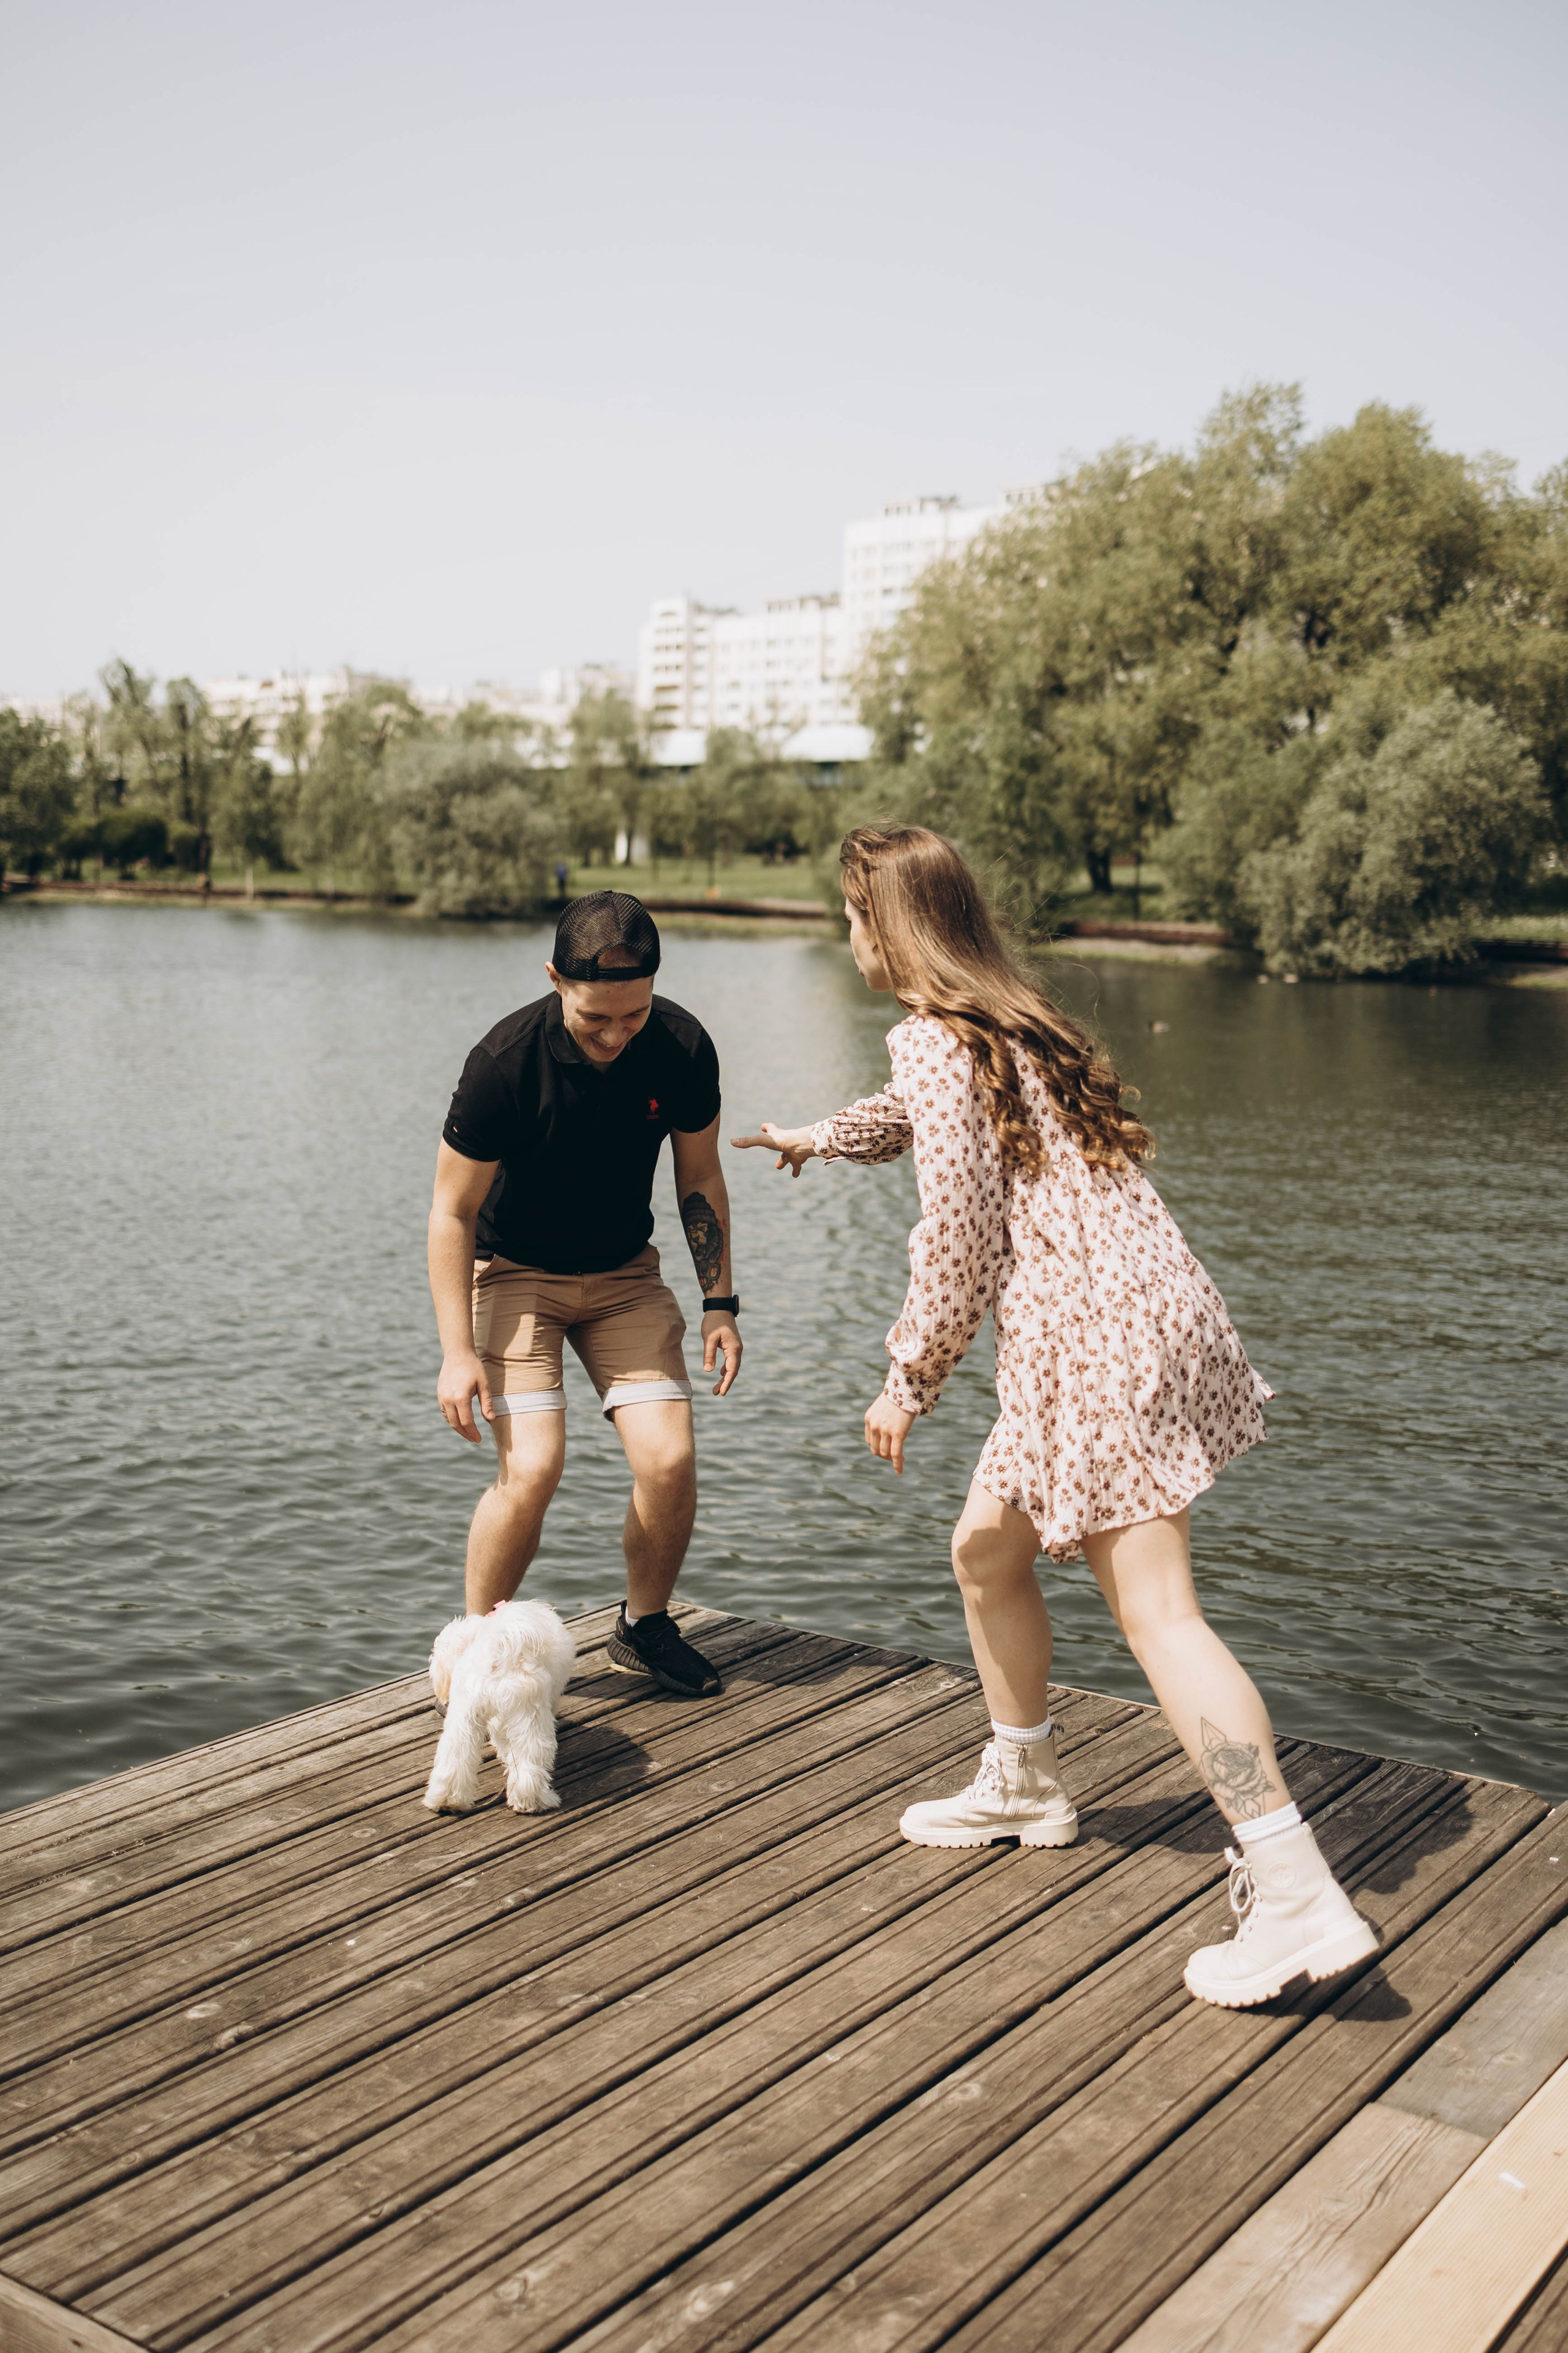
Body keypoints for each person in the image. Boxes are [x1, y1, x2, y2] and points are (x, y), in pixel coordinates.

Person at [733, 826, 1376, 2008]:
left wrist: (908, 1375)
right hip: (1154, 1306)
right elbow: (937, 1115)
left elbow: (964, 1236)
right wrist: (823, 1138)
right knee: (985, 1551)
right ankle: (1023, 1777)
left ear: (891, 926)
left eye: (854, 913)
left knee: (1162, 1615)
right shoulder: (1015, 1016)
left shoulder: (937, 1036)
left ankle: (1292, 1889)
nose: (848, 933)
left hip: (1090, 1340)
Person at [429, 889, 742, 1698]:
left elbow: (700, 1176)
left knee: (668, 1457)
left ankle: (645, 1627)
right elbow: (451, 1211)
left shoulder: (680, 1047)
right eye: (594, 1018)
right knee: (533, 1467)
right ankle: (480, 1655)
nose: (613, 1036)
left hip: (623, 1275)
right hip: (515, 1273)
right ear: (554, 980)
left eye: (631, 1017)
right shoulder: (502, 1063)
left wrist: (720, 1301)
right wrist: (457, 1353)